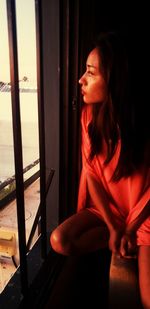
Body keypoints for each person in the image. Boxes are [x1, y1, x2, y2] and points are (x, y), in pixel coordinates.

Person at [50, 32, 150, 308]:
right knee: (60, 240)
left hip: (144, 216)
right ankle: (119, 240)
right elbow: (92, 174)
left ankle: (128, 242)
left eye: (90, 73)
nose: (80, 79)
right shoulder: (89, 117)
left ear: (115, 80)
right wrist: (112, 225)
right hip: (114, 210)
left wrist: (130, 228)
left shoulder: (142, 123)